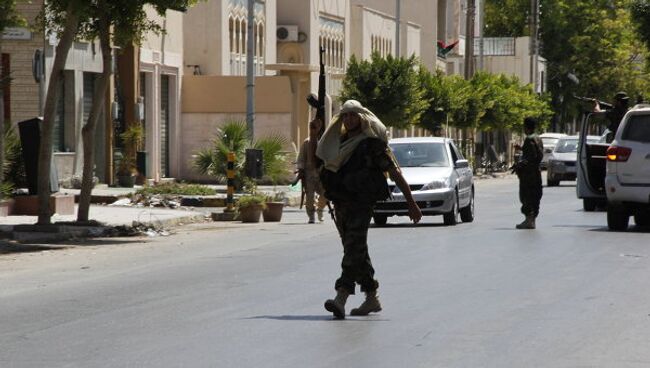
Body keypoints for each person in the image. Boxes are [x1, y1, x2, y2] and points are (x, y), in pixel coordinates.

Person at [316, 100, 422, 319]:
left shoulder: (371, 144)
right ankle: (372, 297)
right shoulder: (340, 142)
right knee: (356, 249)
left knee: (353, 247)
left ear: (362, 118)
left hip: (362, 203)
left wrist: (411, 202)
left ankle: (341, 296)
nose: (349, 119)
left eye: (353, 115)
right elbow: (324, 166)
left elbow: (393, 172)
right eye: (345, 116)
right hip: (342, 204)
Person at [512, 117, 543, 230]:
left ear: (526, 127)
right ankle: (532, 221)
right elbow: (535, 154)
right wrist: (521, 149)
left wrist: (519, 166)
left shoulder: (529, 139)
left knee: (527, 196)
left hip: (529, 175)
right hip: (536, 173)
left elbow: (531, 158)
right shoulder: (538, 138)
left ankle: (529, 221)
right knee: (535, 196)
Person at [295, 117, 328, 223]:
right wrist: (300, 170)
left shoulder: (324, 141)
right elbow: (301, 158)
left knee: (325, 194)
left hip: (322, 174)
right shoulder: (307, 142)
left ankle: (320, 209)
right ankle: (311, 216)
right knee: (309, 197)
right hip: (309, 174)